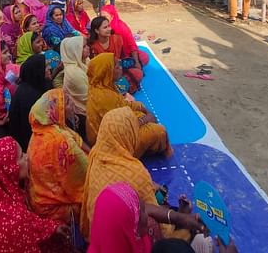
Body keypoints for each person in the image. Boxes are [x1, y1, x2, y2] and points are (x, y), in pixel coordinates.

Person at [80, 107, 202, 240]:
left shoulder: (96, 153)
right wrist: (180, 219)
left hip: (97, 233)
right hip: (123, 237)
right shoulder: (134, 171)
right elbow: (162, 228)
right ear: (130, 133)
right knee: (188, 235)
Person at [0, 137, 70, 253]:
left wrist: (52, 228)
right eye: (21, 157)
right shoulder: (11, 221)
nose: (26, 157)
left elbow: (28, 222)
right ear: (8, 170)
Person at [85, 54, 170, 157]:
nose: (121, 68)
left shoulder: (102, 87)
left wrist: (141, 107)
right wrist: (146, 119)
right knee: (159, 131)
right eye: (116, 66)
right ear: (107, 72)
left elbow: (123, 104)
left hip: (116, 129)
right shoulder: (105, 97)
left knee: (141, 112)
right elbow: (120, 127)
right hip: (110, 143)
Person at [27, 88, 88, 223]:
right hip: (53, 208)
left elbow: (78, 142)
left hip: (38, 199)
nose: (71, 103)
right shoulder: (60, 141)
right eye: (66, 102)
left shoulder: (39, 131)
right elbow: (84, 174)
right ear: (56, 110)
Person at [9, 55, 53, 151]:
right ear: (37, 71)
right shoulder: (29, 96)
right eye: (45, 66)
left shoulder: (39, 84)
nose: (50, 68)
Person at [89, 16, 142, 93]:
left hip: (119, 70)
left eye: (109, 26)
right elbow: (96, 70)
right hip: (104, 77)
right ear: (97, 30)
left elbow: (123, 57)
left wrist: (121, 66)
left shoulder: (117, 39)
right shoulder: (93, 47)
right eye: (105, 27)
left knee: (138, 72)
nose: (109, 29)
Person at [59, 36, 90, 140]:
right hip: (83, 114)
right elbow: (88, 97)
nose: (88, 48)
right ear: (75, 51)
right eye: (84, 46)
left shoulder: (84, 61)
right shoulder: (73, 72)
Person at [41, 5, 79, 72]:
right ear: (51, 17)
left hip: (69, 49)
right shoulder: (49, 29)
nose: (59, 17)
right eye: (56, 15)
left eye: (60, 14)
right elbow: (57, 45)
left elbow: (75, 33)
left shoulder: (65, 23)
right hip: (56, 54)